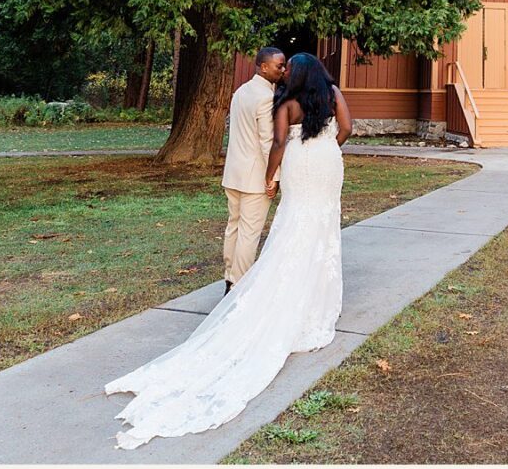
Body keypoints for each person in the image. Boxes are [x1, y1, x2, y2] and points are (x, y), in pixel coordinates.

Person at [105, 52, 353, 449]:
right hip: (327, 163)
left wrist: (273, 174)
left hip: (300, 164)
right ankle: (316, 301)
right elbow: (347, 129)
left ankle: (253, 285)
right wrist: (327, 147)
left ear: (297, 74)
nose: (284, 71)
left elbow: (276, 143)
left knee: (294, 225)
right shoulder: (334, 93)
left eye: (289, 68)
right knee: (322, 227)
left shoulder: (285, 103)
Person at [220, 47, 286, 292]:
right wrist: (273, 177)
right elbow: (268, 142)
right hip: (254, 177)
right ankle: (239, 285)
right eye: (279, 65)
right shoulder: (266, 98)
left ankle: (229, 277)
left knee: (233, 227)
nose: (283, 70)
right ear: (263, 66)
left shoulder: (240, 92)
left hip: (233, 173)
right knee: (249, 232)